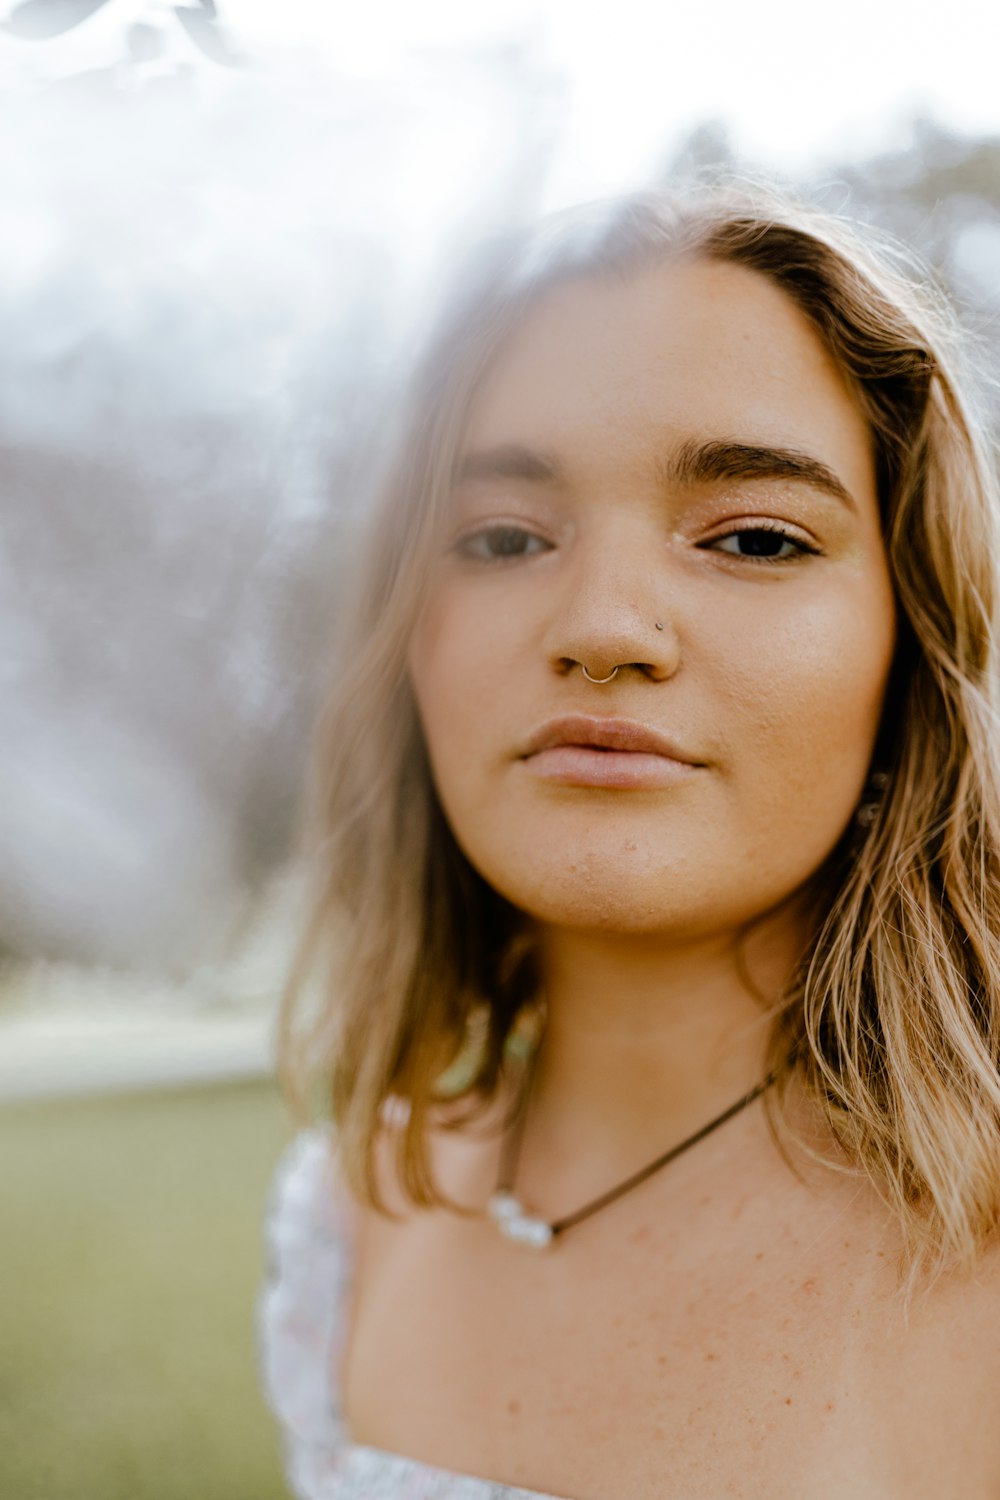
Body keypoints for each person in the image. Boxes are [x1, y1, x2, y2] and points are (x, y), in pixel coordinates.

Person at [257, 178, 1000, 1499]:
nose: (604, 625)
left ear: (911, 651)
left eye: (757, 537)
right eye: (500, 536)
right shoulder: (348, 1222)